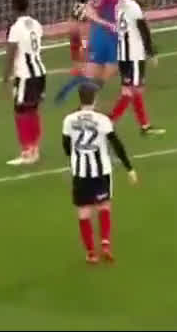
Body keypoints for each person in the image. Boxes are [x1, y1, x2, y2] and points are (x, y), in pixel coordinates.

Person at [62, 84, 137, 264]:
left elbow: (66, 146)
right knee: (104, 206)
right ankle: (105, 244)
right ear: (95, 99)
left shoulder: (69, 120)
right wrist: (129, 168)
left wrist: (76, 158)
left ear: (80, 98)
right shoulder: (103, 120)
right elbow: (117, 145)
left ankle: (91, 253)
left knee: (84, 212)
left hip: (80, 173)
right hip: (101, 171)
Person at [55, 0, 127, 104]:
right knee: (101, 71)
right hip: (104, 37)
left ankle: (79, 97)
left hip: (110, 37)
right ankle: (77, 97)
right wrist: (104, 23)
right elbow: (89, 10)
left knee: (102, 72)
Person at [111, 0, 165, 136]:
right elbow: (143, 31)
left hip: (123, 54)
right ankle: (108, 123)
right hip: (134, 54)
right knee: (131, 92)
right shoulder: (133, 7)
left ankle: (144, 125)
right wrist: (151, 53)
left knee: (133, 91)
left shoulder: (120, 4)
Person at [3, 0, 46, 165]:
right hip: (39, 72)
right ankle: (34, 147)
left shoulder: (15, 28)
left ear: (14, 9)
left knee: (21, 112)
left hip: (25, 74)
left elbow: (11, 53)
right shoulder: (36, 24)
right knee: (33, 110)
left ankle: (27, 151)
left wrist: (5, 77)